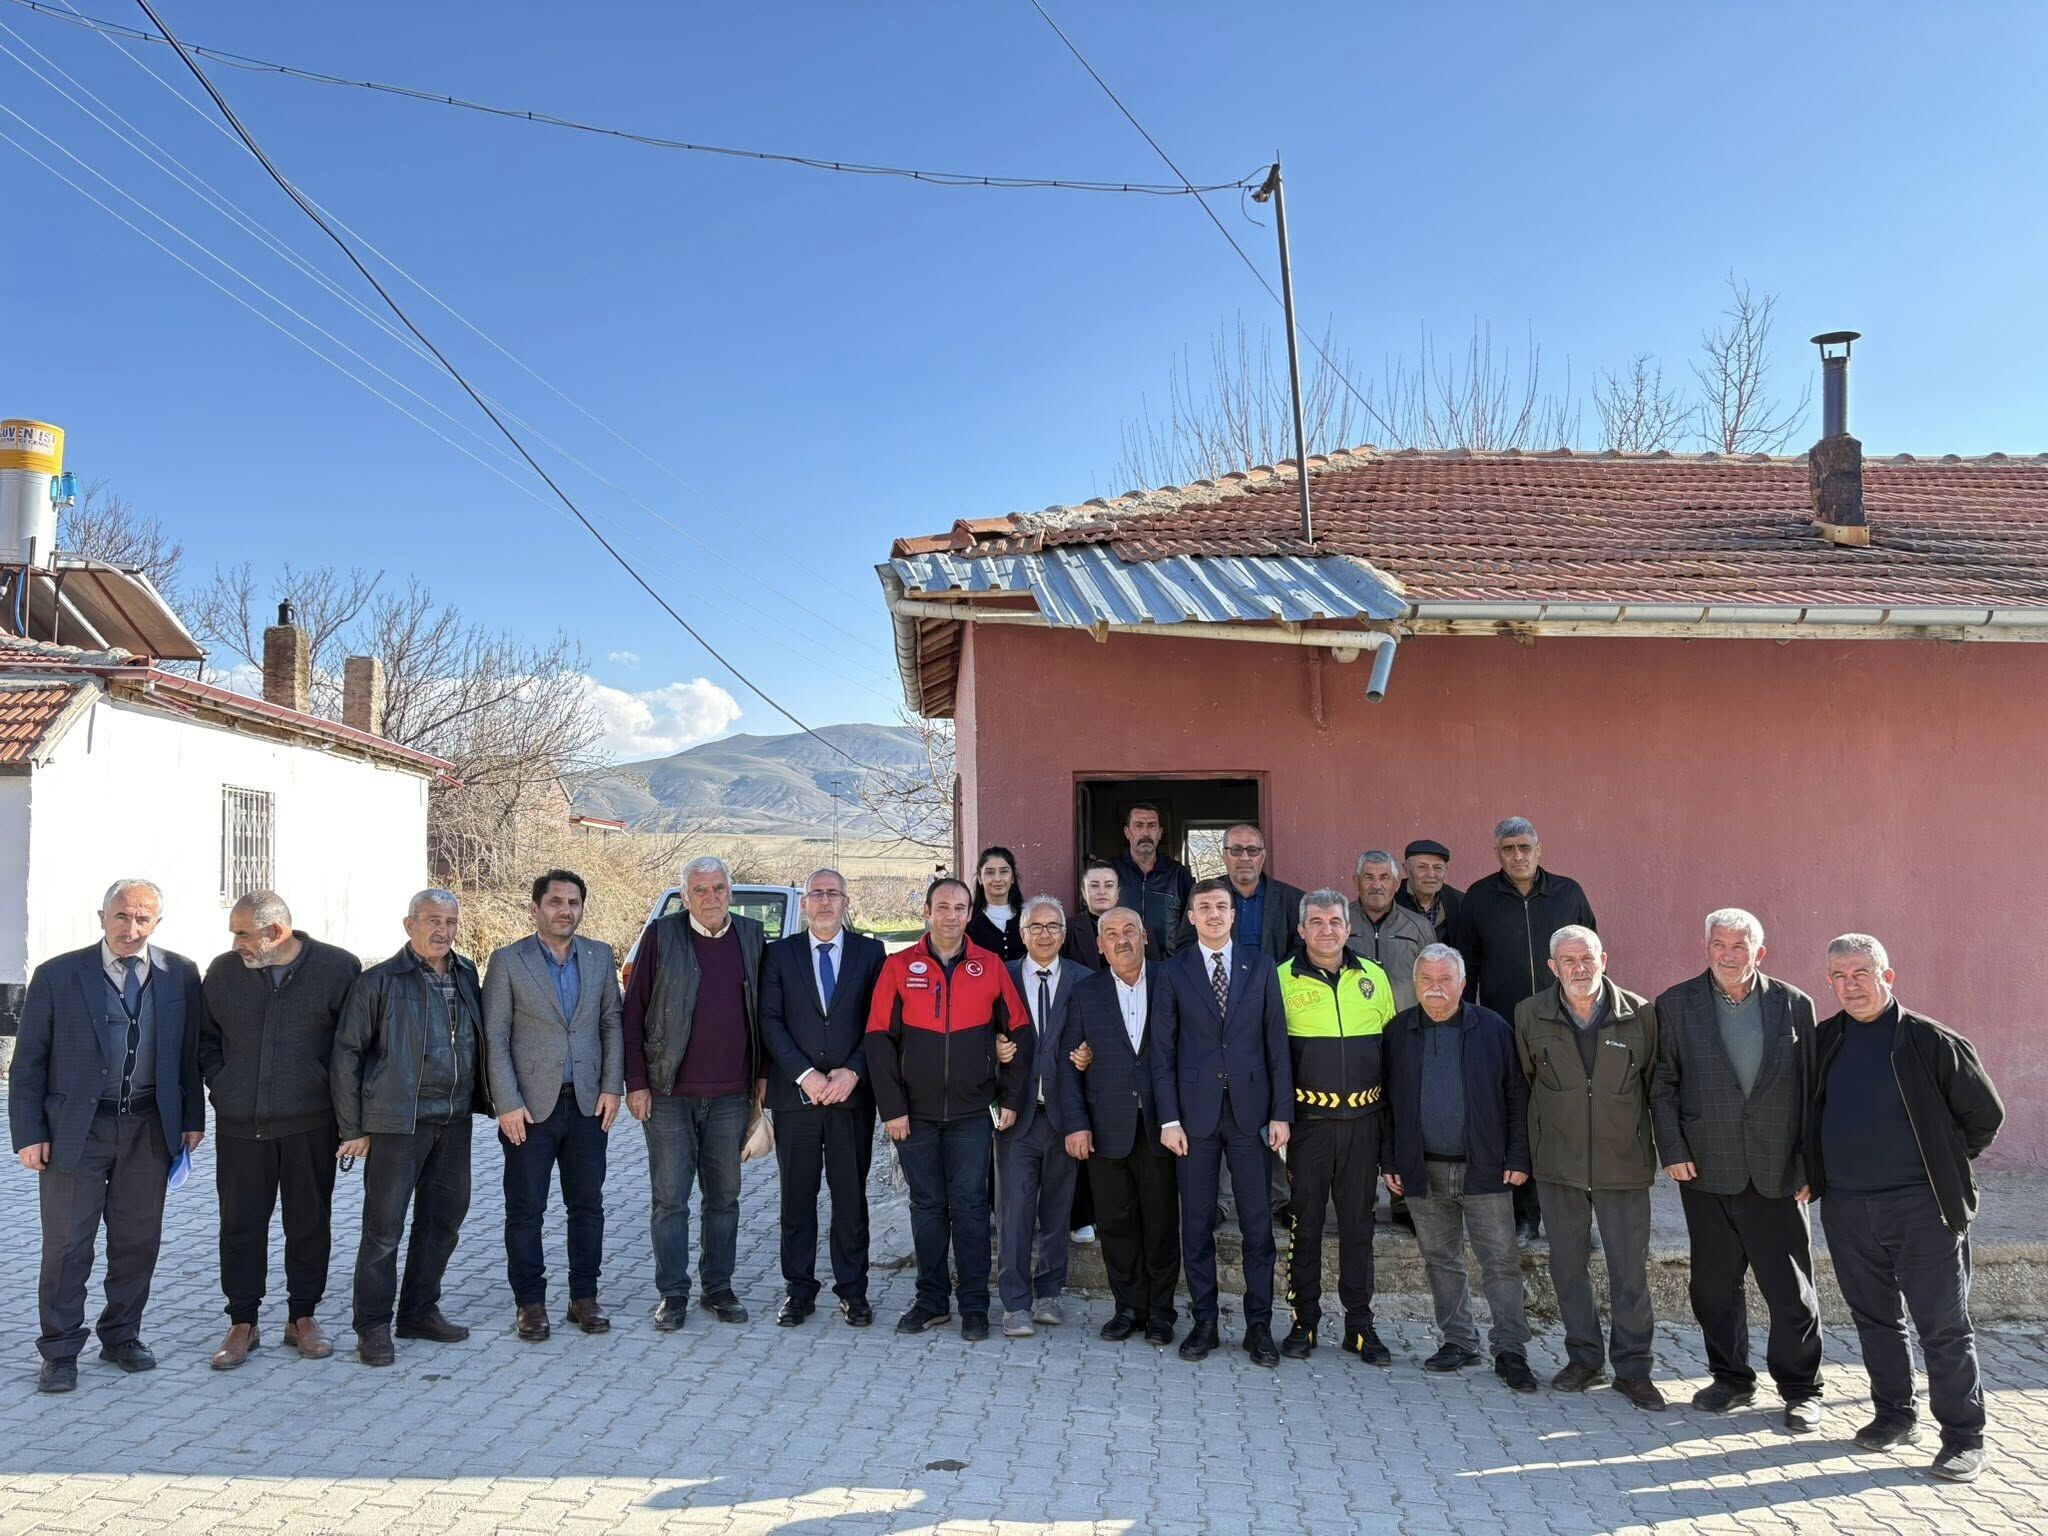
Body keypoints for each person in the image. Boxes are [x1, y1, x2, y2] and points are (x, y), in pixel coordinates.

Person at [1809, 934, 2005, 1483]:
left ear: (1887, 977)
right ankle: (1895, 1415)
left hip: (1923, 1209)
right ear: (1830, 983)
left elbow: (1984, 1117)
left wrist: (1939, 1164)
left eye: (1862, 974)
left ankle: (1964, 1437)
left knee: (1943, 1326)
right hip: (1847, 1208)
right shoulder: (1824, 1041)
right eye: (1840, 977)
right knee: (1876, 1320)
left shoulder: (1930, 1041)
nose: (1851, 986)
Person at [12, 879, 205, 1394]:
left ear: (157, 924)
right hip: (76, 1130)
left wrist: (192, 1118)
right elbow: (27, 1063)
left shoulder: (180, 974)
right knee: (68, 1244)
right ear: (102, 916)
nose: (131, 928)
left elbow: (188, 1056)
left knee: (138, 1241)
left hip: (147, 1127)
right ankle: (58, 1349)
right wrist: (28, 1134)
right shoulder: (57, 975)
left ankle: (121, 1334)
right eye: (122, 916)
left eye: (143, 919)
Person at [1651, 909, 1822, 1432]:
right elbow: (1663, 1084)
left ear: (1759, 951)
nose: (1729, 954)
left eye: (1740, 946)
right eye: (1720, 944)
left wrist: (1812, 1163)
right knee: (1712, 1286)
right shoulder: (1676, 1004)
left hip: (1778, 1169)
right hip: (1706, 1166)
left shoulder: (1794, 1004)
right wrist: (1672, 1148)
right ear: (1706, 948)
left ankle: (1801, 1389)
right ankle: (1731, 1378)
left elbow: (1815, 1091)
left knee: (1790, 1290)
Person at [865, 877, 1034, 1340]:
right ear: (927, 910)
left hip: (971, 1114)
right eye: (943, 906)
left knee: (972, 1209)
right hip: (913, 1117)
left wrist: (1011, 1099)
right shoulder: (900, 967)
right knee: (927, 1207)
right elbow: (877, 1040)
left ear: (968, 913)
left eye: (961, 907)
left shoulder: (990, 965)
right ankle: (932, 1300)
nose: (952, 915)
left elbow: (1019, 1032)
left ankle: (975, 1306)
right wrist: (892, 1109)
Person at [198, 892, 361, 1369]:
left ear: (276, 933)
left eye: (243, 933)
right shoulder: (224, 972)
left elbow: (353, 1048)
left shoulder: (338, 969)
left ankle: (302, 1317)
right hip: (239, 1125)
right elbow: (206, 1041)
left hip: (310, 1124)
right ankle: (242, 1322)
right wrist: (223, 1085)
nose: (235, 942)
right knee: (240, 1225)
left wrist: (353, 1121)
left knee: (309, 1224)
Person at [332, 889, 489, 1367]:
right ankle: (373, 1325)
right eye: (432, 921)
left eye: (450, 922)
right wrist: (352, 1127)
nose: (442, 931)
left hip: (454, 1118)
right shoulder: (378, 981)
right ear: (409, 925)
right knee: (383, 1229)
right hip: (397, 1122)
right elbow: (347, 1054)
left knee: (443, 1221)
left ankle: (419, 1311)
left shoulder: (466, 974)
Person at [1515, 925, 1666, 1411]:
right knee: (1567, 1267)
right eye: (1567, 960)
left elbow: (1655, 1085)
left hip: (1623, 1163)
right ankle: (1583, 1358)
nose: (1579, 968)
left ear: (1605, 958)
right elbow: (1526, 1081)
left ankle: (1634, 1369)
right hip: (1558, 1163)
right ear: (1552, 967)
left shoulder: (1641, 1013)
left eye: (1587, 958)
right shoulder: (1529, 1014)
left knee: (1629, 1272)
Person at [1382, 944, 1536, 1392]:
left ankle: (1511, 1349)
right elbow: (1387, 1105)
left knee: (1501, 1262)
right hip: (1421, 1169)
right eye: (1426, 979)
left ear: (1462, 984)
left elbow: (1516, 1096)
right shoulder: (1397, 1032)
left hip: (1486, 1170)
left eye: (1444, 979)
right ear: (1415, 984)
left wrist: (1518, 1157)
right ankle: (1459, 1340)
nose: (1435, 987)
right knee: (1440, 1260)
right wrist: (1389, 1158)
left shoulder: (1492, 1029)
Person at [1152, 877, 1292, 1366]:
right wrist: (1169, 1118)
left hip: (1253, 1117)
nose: (1213, 914)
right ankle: (1204, 1321)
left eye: (1222, 907)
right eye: (1204, 907)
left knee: (1257, 1226)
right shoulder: (1173, 972)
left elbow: (1277, 1045)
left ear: (1235, 915)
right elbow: (1162, 1051)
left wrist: (1281, 1113)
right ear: (1191, 917)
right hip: (1194, 1118)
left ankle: (1259, 1326)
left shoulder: (1262, 967)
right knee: (1196, 1224)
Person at [622, 855, 766, 1330]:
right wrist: (637, 1083)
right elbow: (633, 1013)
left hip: (731, 1095)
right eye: (699, 890)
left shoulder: (750, 936)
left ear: (731, 892)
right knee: (670, 1198)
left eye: (718, 889)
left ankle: (718, 1289)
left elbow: (763, 1010)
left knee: (724, 1197)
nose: (710, 898)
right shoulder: (662, 936)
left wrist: (761, 1082)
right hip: (667, 1093)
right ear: (685, 897)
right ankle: (673, 1294)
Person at [481, 869, 624, 1343]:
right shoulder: (507, 961)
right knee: (526, 1210)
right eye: (556, 901)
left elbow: (611, 1024)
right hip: (529, 1110)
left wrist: (612, 1087)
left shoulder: (600, 956)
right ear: (536, 908)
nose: (566, 910)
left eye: (574, 902)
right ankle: (530, 1303)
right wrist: (506, 1103)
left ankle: (584, 1296)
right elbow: (495, 1038)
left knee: (588, 1206)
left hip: (587, 1104)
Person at [1454, 817, 1597, 1242]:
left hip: (1568, 1025)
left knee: (1571, 1121)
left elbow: (1591, 955)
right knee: (1519, 1121)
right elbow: (1469, 966)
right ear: (1497, 853)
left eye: (1524, 847)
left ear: (1539, 849)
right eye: (1508, 849)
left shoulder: (1568, 893)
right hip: (1506, 1026)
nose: (1518, 856)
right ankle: (1525, 1215)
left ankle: (1573, 1220)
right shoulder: (1479, 898)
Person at [758, 867, 885, 1328]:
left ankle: (853, 1291)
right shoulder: (779, 955)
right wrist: (806, 1075)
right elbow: (770, 1020)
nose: (826, 901)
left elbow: (879, 1021)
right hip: (798, 1099)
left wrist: (853, 1071)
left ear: (846, 902)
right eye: (817, 894)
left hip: (852, 1097)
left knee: (850, 1198)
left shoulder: (871, 954)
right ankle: (799, 1291)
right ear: (805, 903)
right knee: (797, 1197)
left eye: (834, 893)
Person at [1275, 890, 1395, 1364]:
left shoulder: (1375, 977)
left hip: (1363, 1124)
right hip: (1309, 1127)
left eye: (1336, 922)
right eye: (1317, 922)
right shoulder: (1280, 978)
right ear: (1301, 930)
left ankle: (1360, 1327)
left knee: (1358, 1227)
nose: (1327, 930)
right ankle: (1303, 1321)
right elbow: (1272, 1057)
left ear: (1349, 928)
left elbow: (1389, 1052)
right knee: (1304, 1226)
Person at [1058, 908, 1180, 1346]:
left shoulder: (1170, 980)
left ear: (1145, 936)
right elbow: (1068, 1063)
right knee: (1116, 1222)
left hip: (1161, 1126)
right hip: (1105, 1127)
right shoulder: (1085, 991)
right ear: (1099, 945)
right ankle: (1128, 1307)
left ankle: (1162, 1312)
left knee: (1162, 1222)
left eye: (1130, 930)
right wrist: (1075, 1124)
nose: (1121, 939)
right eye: (1111, 933)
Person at [995, 896, 1091, 1337]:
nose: (1046, 934)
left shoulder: (1085, 981)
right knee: (1014, 1212)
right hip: (1016, 1117)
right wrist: (990, 1050)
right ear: (1022, 933)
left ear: (1064, 934)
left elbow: (1102, 1039)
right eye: (1036, 927)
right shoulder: (1001, 978)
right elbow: (974, 1032)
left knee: (1057, 1210)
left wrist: (1091, 1055)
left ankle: (1049, 1292)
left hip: (1063, 1116)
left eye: (1054, 926)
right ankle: (1014, 1302)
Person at [1177, 824, 1303, 962]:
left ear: (1263, 856)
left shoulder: (1293, 899)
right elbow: (1185, 946)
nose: (1244, 858)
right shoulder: (1203, 895)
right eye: (1236, 850)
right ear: (1225, 855)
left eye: (1252, 850)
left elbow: (1301, 950)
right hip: (1219, 980)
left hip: (1276, 981)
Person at [1345, 850, 1435, 1012]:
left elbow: (1433, 979)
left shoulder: (1419, 927)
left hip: (1405, 1024)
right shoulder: (1339, 923)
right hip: (1355, 1025)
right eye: (1368, 877)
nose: (1376, 885)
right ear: (1356, 881)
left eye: (1384, 878)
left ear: (1396, 883)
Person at [1113, 803, 1193, 959]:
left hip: (1168, 968)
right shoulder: (1111, 872)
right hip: (1121, 966)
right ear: (1127, 832)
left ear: (1159, 833)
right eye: (1139, 825)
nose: (1145, 832)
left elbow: (1192, 924)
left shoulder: (1178, 874)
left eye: (1151, 826)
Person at [966, 845, 1026, 962]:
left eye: (1004, 872)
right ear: (979, 878)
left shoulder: (1028, 917)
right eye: (990, 872)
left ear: (1012, 877)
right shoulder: (968, 921)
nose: (997, 879)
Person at [1396, 839, 1462, 944]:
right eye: (1422, 867)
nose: (1431, 874)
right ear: (1406, 869)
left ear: (1446, 870)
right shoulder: (1392, 899)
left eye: (1437, 868)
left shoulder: (1459, 902)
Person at [1062, 858, 1121, 972]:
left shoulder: (1138, 927)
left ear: (1118, 892)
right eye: (1094, 886)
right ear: (1084, 892)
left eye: (1109, 885)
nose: (1102, 891)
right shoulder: (1067, 930)